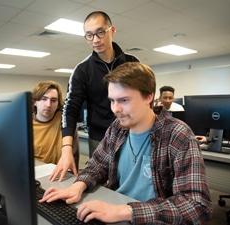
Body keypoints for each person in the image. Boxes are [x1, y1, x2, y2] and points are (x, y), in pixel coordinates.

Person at [40, 62, 212, 224]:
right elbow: (97, 165)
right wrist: (78, 186)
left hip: (145, 217)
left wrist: (125, 211)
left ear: (148, 97)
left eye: (124, 100)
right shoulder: (118, 127)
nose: (115, 109)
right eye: (112, 100)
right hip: (115, 210)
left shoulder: (178, 135)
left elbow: (197, 205)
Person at [50, 11, 139, 181]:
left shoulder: (132, 62)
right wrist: (66, 149)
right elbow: (70, 110)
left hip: (132, 135)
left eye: (100, 32)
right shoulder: (82, 70)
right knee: (100, 182)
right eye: (89, 35)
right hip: (99, 138)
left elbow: (142, 102)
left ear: (112, 30)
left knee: (131, 182)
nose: (95, 40)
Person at [32, 81, 79, 168]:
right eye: (44, 99)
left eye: (53, 100)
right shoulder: (25, 124)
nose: (48, 105)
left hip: (59, 173)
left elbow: (74, 155)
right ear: (35, 101)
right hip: (35, 171)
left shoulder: (66, 122)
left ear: (58, 103)